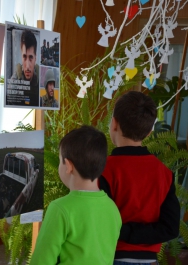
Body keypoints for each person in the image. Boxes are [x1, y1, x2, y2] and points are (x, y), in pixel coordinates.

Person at [99, 91, 180, 264]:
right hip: (150, 261)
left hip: (111, 257)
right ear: (150, 131)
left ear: (114, 124)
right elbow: (171, 228)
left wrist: (126, 233)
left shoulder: (103, 169)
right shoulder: (164, 173)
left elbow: (98, 222)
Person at [30, 125, 121, 264]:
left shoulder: (59, 209)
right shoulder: (112, 208)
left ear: (68, 165)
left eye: (60, 161)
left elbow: (41, 261)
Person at [10, 29, 39, 106]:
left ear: (35, 58)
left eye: (31, 58)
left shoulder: (41, 81)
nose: (28, 66)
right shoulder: (14, 84)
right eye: (24, 57)